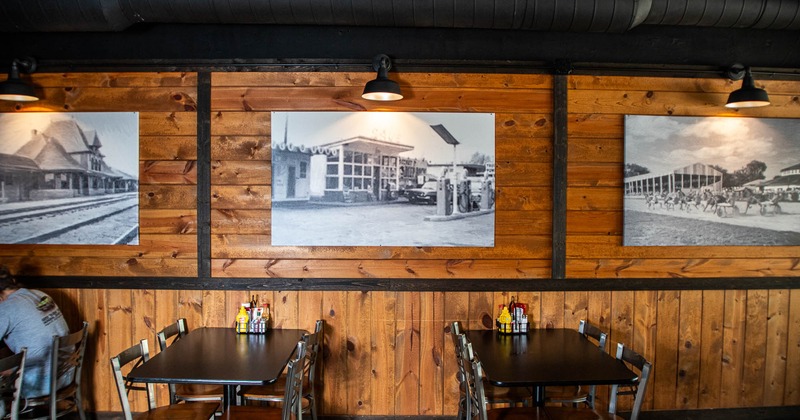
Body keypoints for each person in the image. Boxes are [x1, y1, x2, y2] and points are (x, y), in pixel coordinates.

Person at [0, 265, 70, 402]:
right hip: (65, 373)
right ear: (12, 281)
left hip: (39, 382)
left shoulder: (6, 308)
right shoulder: (39, 294)